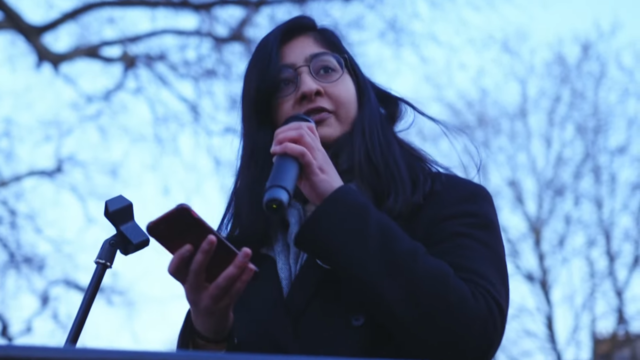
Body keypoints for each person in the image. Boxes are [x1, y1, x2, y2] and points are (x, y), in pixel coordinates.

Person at [168, 15, 509, 360]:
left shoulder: (449, 202)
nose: (308, 89)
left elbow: (473, 335)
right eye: (284, 83)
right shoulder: (245, 256)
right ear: (266, 120)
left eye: (326, 69)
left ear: (358, 89)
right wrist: (209, 333)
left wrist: (337, 203)